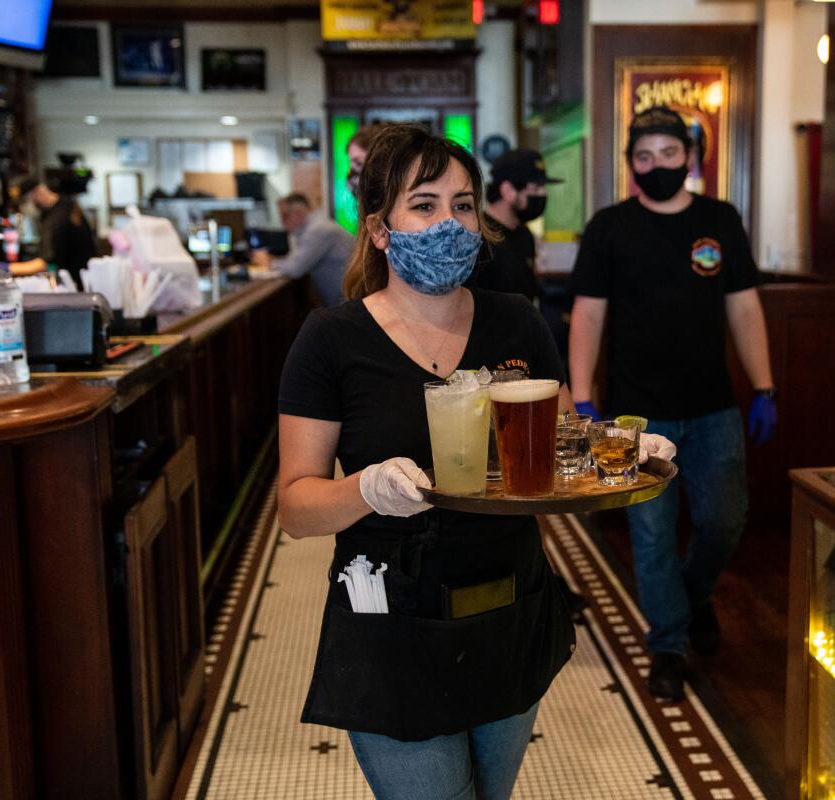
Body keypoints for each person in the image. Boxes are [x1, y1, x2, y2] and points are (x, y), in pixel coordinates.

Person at [277, 124, 673, 798]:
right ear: (380, 229)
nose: (449, 224)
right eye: (424, 205)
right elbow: (295, 507)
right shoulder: (332, 339)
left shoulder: (516, 321)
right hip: (392, 621)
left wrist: (619, 451)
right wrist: (367, 488)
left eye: (462, 206)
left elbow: (555, 446)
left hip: (510, 606)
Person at [567, 105, 777, 702]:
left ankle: (693, 594)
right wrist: (583, 396)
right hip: (636, 413)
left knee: (724, 521)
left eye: (667, 154)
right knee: (652, 535)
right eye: (643, 157)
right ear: (631, 164)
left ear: (691, 157)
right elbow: (588, 313)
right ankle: (668, 644)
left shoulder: (720, 219)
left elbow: (744, 307)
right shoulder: (609, 226)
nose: (655, 165)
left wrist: (765, 387)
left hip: (714, 409)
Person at [464, 149, 561, 302]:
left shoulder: (524, 234)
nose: (542, 195)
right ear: (508, 190)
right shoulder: (477, 235)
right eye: (535, 188)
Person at [250, 193, 354, 307]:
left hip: (348, 303)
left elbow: (295, 269)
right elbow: (295, 259)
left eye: (285, 216)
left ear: (298, 213)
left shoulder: (317, 230)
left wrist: (269, 262)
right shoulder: (316, 226)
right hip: (344, 300)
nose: (282, 222)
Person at [11, 177, 99, 289]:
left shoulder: (57, 219)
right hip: (82, 279)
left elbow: (46, 262)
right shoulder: (65, 204)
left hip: (74, 284)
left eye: (27, 200)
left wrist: (8, 268)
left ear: (38, 192)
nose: (26, 206)